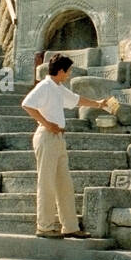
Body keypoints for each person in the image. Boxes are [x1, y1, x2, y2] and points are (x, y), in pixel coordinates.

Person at [21, 53, 115, 238]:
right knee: (46, 183)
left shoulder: (57, 87)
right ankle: (45, 227)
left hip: (58, 138)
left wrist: (98, 104)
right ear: (61, 71)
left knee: (64, 184)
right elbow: (27, 104)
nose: (70, 74)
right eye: (69, 71)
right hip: (47, 136)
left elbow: (76, 99)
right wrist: (47, 124)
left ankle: (70, 226)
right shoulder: (45, 86)